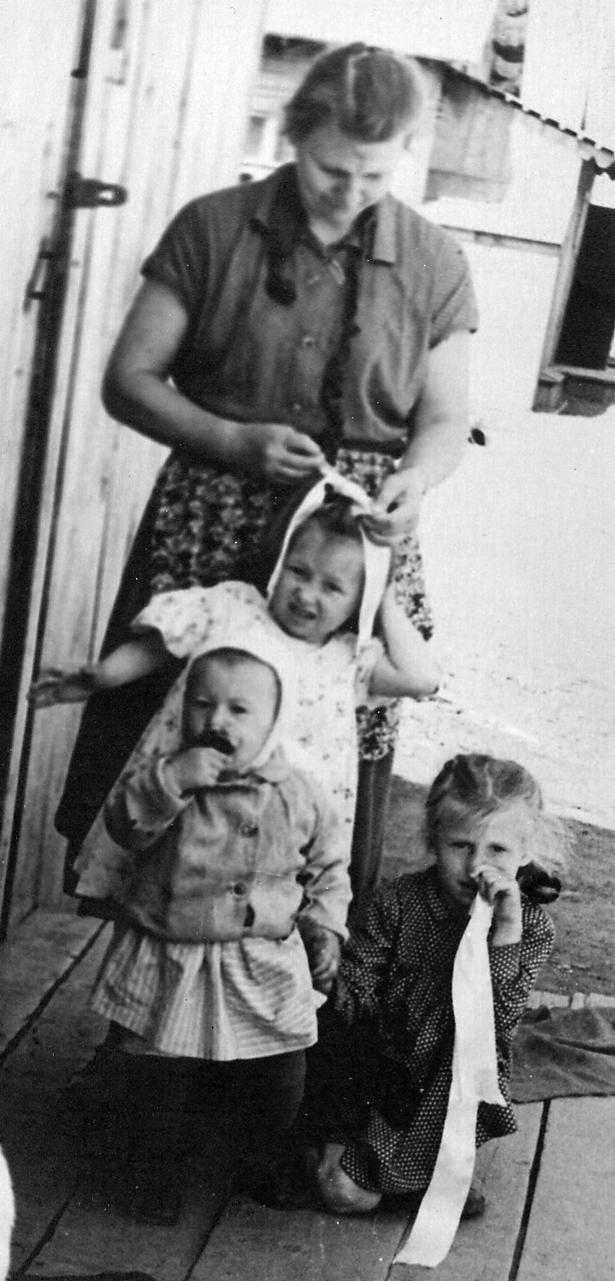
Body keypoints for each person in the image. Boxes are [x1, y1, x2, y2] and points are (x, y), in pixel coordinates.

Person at [52, 41, 478, 907]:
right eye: (330, 169)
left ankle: (289, 961)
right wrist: (232, 439)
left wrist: (415, 480)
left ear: (404, 153)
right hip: (210, 518)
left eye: (373, 175)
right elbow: (128, 380)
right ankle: (135, 947)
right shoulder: (214, 228)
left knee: (320, 751)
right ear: (292, 136)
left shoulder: (434, 262)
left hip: (348, 544)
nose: (349, 192)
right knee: (180, 723)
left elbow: (441, 423)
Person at [30, 490, 440, 908]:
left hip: (272, 834)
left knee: (251, 918)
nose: (306, 594)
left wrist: (385, 594)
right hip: (188, 805)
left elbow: (422, 679)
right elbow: (158, 646)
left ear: (359, 599)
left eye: (332, 587)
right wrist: (101, 676)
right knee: (157, 900)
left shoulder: (349, 660)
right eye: (298, 571)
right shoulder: (235, 607)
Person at [80, 634, 350, 1227]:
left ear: (274, 721)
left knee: (277, 1070)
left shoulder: (298, 794)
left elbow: (329, 868)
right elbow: (126, 828)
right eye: (202, 704)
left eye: (238, 709)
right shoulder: (167, 779)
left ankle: (260, 1155)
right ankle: (153, 1171)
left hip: (262, 956)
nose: (216, 720)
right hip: (173, 953)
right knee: (160, 1075)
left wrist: (326, 927)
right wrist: (171, 782)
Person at [300, 753, 568, 1216]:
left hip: (447, 1079)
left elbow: (496, 1023)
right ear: (434, 839)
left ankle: (413, 1174)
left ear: (525, 852)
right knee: (344, 1192)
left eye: (497, 850)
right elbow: (352, 1002)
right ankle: (350, 1163)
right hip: (373, 1074)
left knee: (359, 1186)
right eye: (460, 845)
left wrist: (505, 928)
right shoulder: (399, 902)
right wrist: (331, 979)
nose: (475, 866)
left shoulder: (530, 927)